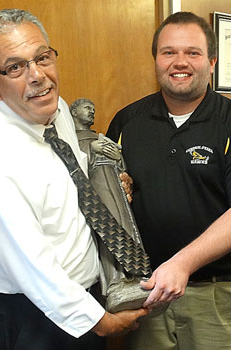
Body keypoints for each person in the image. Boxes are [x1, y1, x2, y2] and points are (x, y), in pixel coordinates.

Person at [0, 9, 147, 350]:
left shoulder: (56, 112)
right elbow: (31, 264)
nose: (37, 75)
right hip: (32, 320)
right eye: (15, 67)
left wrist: (112, 184)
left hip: (82, 301)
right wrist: (99, 322)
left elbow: (74, 179)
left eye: (42, 58)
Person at [106, 11, 231, 350]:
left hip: (216, 293)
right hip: (145, 292)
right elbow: (110, 194)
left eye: (192, 53)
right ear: (155, 59)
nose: (179, 62)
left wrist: (181, 264)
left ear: (212, 61)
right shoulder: (127, 121)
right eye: (169, 52)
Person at [69, 98, 150, 313]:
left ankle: (133, 276)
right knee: (108, 234)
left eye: (93, 108)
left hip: (113, 187)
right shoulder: (71, 141)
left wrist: (117, 157)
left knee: (125, 227)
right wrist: (90, 150)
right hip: (95, 194)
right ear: (74, 112)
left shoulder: (99, 137)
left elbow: (121, 168)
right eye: (87, 108)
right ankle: (116, 281)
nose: (91, 112)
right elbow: (72, 166)